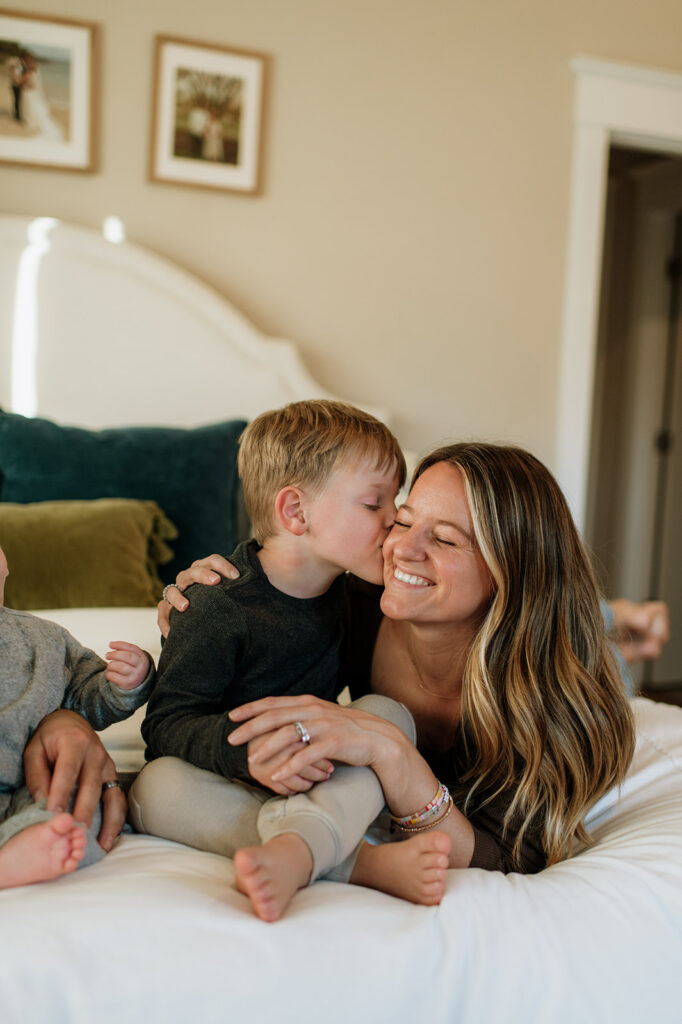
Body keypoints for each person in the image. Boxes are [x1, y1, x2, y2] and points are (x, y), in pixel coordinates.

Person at [161, 442, 638, 910]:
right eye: (403, 521)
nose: (401, 549)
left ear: (508, 570)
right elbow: (235, 681)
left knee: (595, 632)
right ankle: (319, 854)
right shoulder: (351, 603)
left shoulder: (561, 700)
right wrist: (209, 612)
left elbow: (511, 857)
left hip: (550, 646)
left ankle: (628, 621)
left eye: (446, 538)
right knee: (160, 784)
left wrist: (392, 753)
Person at [130, 401, 451, 921]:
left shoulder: (359, 596)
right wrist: (248, 755)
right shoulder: (215, 604)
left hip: (313, 768)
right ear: (295, 512)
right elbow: (166, 725)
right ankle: (354, 862)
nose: (395, 520)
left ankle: (299, 849)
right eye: (375, 504)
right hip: (224, 777)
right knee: (154, 786)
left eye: (396, 501)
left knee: (389, 717)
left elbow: (367, 701)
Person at [0, 543, 154, 887]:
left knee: (74, 803)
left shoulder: (45, 639)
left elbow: (87, 695)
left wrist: (125, 683)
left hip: (33, 783)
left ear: (5, 566)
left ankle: (25, 850)